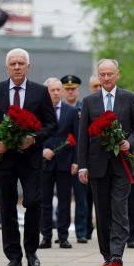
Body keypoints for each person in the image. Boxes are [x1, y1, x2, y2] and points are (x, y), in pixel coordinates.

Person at [0, 48, 57, 266]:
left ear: (28, 66)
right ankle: (14, 256)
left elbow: (51, 125)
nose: (17, 67)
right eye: (12, 63)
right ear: (7, 67)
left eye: (21, 63)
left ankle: (31, 251)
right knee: (7, 208)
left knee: (33, 203)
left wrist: (33, 139)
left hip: (31, 159)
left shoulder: (40, 92)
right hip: (4, 160)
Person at [77, 59, 134, 266]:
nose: (106, 78)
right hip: (97, 166)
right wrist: (82, 165)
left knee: (119, 209)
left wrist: (129, 142)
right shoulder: (89, 101)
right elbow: (82, 137)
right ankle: (106, 253)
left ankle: (117, 254)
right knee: (103, 212)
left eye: (110, 74)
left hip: (122, 164)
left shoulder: (129, 98)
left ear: (117, 74)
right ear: (98, 76)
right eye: (102, 75)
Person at [39, 77, 79, 249]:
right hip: (44, 163)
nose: (56, 93)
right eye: (52, 90)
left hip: (65, 163)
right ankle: (46, 237)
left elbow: (77, 138)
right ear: (46, 92)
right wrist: (42, 150)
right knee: (44, 202)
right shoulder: (38, 111)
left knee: (64, 202)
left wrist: (77, 162)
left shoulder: (71, 111)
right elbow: (33, 135)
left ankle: (63, 236)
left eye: (58, 90)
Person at [60, 74, 88, 244]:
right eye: (67, 89)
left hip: (79, 160)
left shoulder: (84, 108)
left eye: (73, 89)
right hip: (61, 160)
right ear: (63, 91)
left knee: (81, 200)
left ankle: (81, 232)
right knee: (62, 200)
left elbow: (84, 138)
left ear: (78, 90)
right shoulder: (57, 109)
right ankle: (62, 233)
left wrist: (80, 161)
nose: (70, 92)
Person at [85, 74, 102, 240]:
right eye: (95, 86)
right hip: (93, 160)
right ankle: (86, 229)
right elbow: (83, 136)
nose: (98, 88)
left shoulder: (124, 99)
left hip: (115, 159)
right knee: (89, 200)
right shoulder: (88, 102)